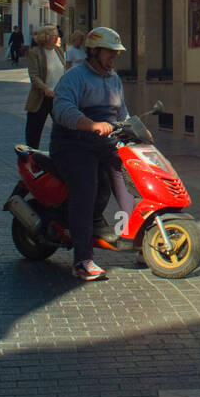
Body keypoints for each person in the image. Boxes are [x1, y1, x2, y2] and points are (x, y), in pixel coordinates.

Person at [49, 27, 128, 281]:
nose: (113, 57)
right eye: (109, 52)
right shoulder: (75, 77)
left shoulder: (114, 78)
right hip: (73, 144)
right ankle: (82, 260)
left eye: (116, 53)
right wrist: (90, 124)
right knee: (86, 189)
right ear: (93, 52)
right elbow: (62, 108)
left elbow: (122, 113)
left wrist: (137, 128)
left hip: (103, 143)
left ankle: (137, 240)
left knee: (125, 184)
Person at [25, 25, 66, 149]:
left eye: (57, 36)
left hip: (58, 97)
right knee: (34, 133)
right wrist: (45, 89)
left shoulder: (59, 51)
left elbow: (64, 71)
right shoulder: (35, 53)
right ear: (45, 37)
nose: (56, 38)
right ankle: (31, 158)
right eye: (53, 36)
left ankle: (60, 155)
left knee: (63, 129)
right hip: (41, 98)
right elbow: (34, 76)